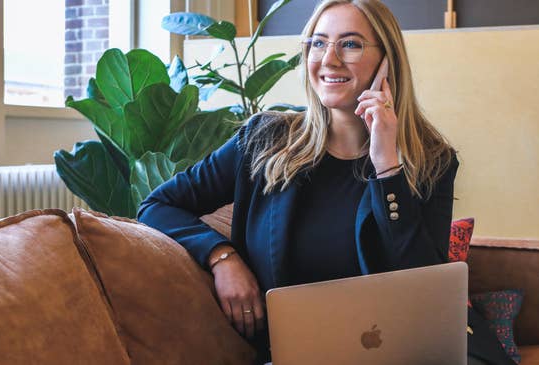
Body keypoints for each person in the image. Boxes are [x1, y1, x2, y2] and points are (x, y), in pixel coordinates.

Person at [138, 1, 515, 364]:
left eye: (350, 44)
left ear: (387, 61)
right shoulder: (264, 140)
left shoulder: (431, 161)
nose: (329, 59)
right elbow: (156, 206)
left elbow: (425, 291)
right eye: (318, 43)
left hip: (408, 356)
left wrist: (387, 168)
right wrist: (222, 257)